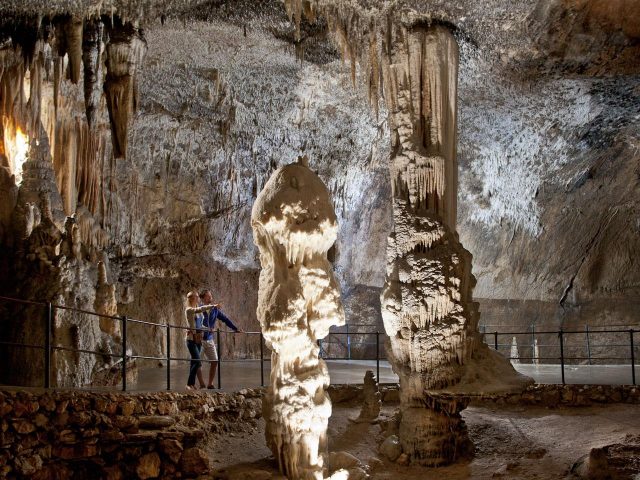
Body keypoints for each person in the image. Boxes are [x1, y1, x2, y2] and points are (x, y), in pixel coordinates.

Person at [199, 289, 243, 389]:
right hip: (200, 340)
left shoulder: (215, 310)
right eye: (208, 296)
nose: (211, 298)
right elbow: (196, 323)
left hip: (209, 339)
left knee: (215, 361)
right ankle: (201, 383)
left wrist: (235, 328)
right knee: (197, 362)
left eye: (211, 296)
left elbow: (225, 319)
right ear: (203, 298)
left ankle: (210, 383)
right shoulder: (199, 309)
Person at [184, 291, 215, 390]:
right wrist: (212, 306)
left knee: (194, 361)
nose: (198, 298)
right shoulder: (189, 310)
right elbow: (199, 309)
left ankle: (191, 384)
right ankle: (188, 384)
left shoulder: (198, 312)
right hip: (190, 339)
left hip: (198, 339)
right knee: (197, 361)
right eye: (196, 297)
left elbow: (199, 326)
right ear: (191, 298)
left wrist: (208, 329)